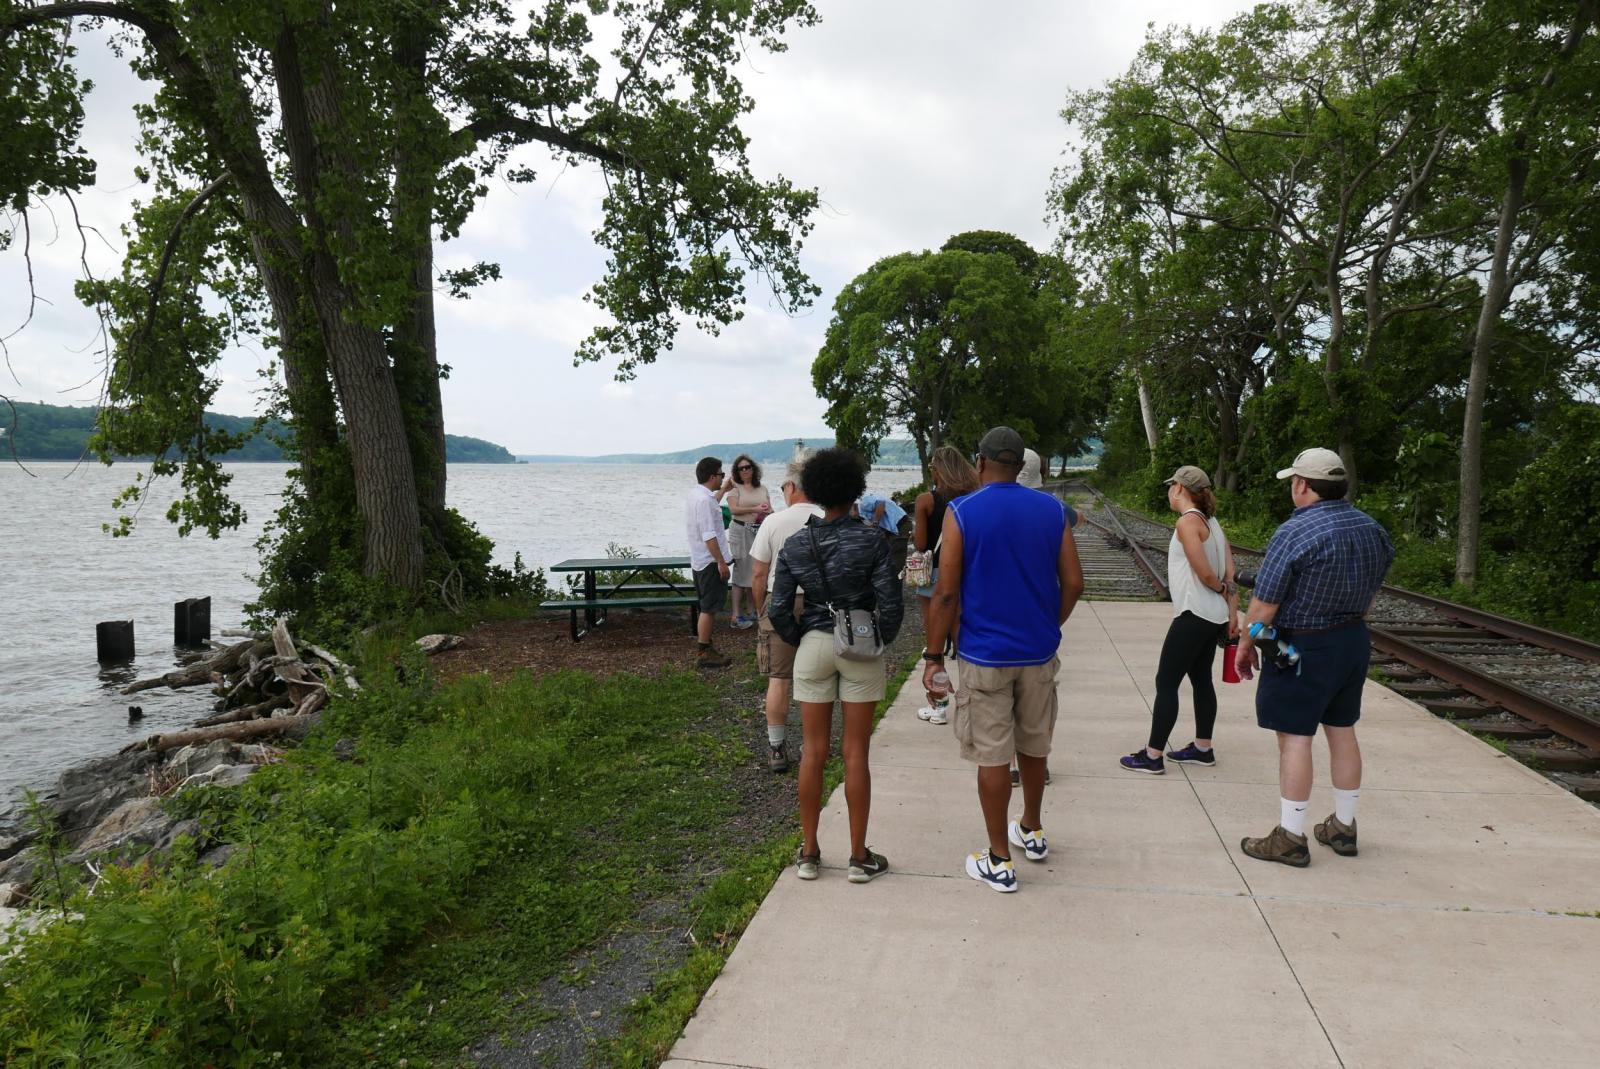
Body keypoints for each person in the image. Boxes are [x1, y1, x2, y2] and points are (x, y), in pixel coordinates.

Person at [923, 427, 1084, 893]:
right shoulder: (1053, 511)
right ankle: (1031, 829)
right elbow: (1073, 583)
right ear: (1022, 466)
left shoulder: (962, 511)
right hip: (1037, 651)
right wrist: (1049, 625)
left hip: (984, 654)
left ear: (981, 462)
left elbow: (947, 591)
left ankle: (998, 859)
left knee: (992, 755)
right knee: (1034, 746)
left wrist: (934, 657)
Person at [1235, 447, 1394, 867]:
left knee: (1295, 738)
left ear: (1303, 484)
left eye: (1293, 481)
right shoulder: (1372, 529)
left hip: (1302, 646)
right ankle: (1343, 825)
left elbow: (1264, 605)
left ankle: (1290, 836)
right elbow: (1374, 592)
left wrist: (1247, 645)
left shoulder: (1296, 531)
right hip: (1353, 640)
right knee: (1342, 730)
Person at [770, 448, 904, 884]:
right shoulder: (871, 541)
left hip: (813, 646)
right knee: (855, 753)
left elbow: (776, 608)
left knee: (812, 751)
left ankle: (809, 853)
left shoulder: (796, 544)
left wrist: (802, 635)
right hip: (859, 647)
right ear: (854, 490)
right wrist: (877, 637)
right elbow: (891, 604)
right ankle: (859, 856)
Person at [1120, 465, 1238, 774]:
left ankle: (1153, 755)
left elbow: (1207, 573)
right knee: (1201, 680)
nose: (1169, 491)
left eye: (1171, 485)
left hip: (1193, 613)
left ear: (1180, 489)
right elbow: (1231, 572)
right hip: (1213, 616)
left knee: (1166, 682)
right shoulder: (1212, 522)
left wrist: (1220, 588)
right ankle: (1203, 748)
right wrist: (1232, 612)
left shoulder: (1187, 522)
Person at [749, 458, 823, 773]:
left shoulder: (773, 522)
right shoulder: (825, 517)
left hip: (779, 601)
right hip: (820, 603)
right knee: (818, 679)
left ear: (791, 487)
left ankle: (777, 748)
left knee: (779, 679)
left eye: (782, 487)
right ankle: (814, 744)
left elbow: (758, 574)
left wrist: (759, 608)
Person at [911, 446, 980, 724]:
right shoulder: (973, 499)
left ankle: (939, 706)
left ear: (937, 470)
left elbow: (920, 544)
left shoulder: (926, 500)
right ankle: (973, 701)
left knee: (934, 644)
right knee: (964, 642)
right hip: (967, 574)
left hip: (935, 577)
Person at [684, 457, 734, 669]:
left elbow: (712, 502)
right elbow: (709, 535)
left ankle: (706, 647)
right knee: (709, 608)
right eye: (721, 475)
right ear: (712, 476)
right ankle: (703, 651)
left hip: (699, 560)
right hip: (709, 561)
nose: (722, 478)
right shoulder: (704, 500)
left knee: (707, 605)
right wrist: (721, 562)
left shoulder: (696, 495)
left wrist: (724, 489)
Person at [723, 454, 772, 630]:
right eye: (741, 468)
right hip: (740, 531)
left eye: (748, 467)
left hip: (758, 531)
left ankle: (752, 611)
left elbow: (769, 508)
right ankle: (736, 615)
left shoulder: (762, 488)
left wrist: (768, 513)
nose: (745, 471)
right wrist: (754, 509)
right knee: (740, 572)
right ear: (737, 471)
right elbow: (734, 509)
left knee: (755, 571)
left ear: (753, 469)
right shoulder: (734, 489)